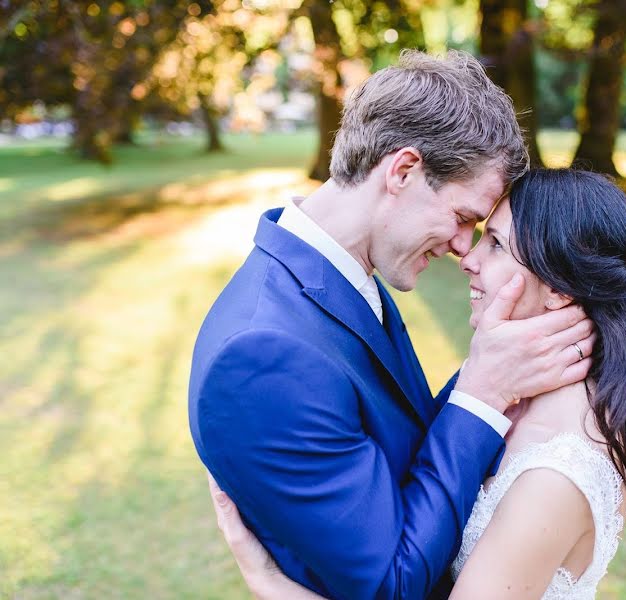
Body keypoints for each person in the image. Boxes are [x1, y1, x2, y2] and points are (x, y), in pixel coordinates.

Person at [188, 52, 596, 600]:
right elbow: (392, 584)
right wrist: (482, 392)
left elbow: (400, 452)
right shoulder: (263, 356)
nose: (461, 248)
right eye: (463, 219)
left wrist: (493, 374)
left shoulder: (345, 277)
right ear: (403, 171)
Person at [209, 169, 626, 599]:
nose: (467, 257)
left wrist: (272, 586)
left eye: (497, 244)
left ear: (559, 290)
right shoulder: (506, 390)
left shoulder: (556, 472)